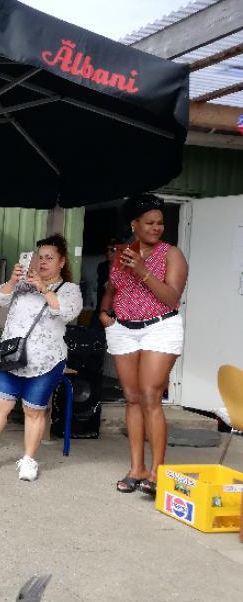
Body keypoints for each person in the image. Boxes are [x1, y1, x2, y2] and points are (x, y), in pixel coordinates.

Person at [0, 234, 82, 481]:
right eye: (40, 257)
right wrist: (12, 281)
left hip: (46, 362)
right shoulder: (22, 285)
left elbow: (66, 313)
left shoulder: (69, 290)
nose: (44, 262)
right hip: (11, 357)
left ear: (61, 262)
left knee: (34, 411)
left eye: (50, 258)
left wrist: (44, 288)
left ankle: (28, 459)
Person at [99, 194, 187, 495]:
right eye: (149, 222)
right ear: (134, 224)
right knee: (132, 397)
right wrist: (104, 311)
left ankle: (157, 471)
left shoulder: (171, 254)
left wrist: (143, 270)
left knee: (151, 394)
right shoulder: (122, 252)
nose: (156, 227)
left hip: (160, 327)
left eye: (160, 222)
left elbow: (171, 297)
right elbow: (112, 286)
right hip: (123, 329)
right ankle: (136, 468)